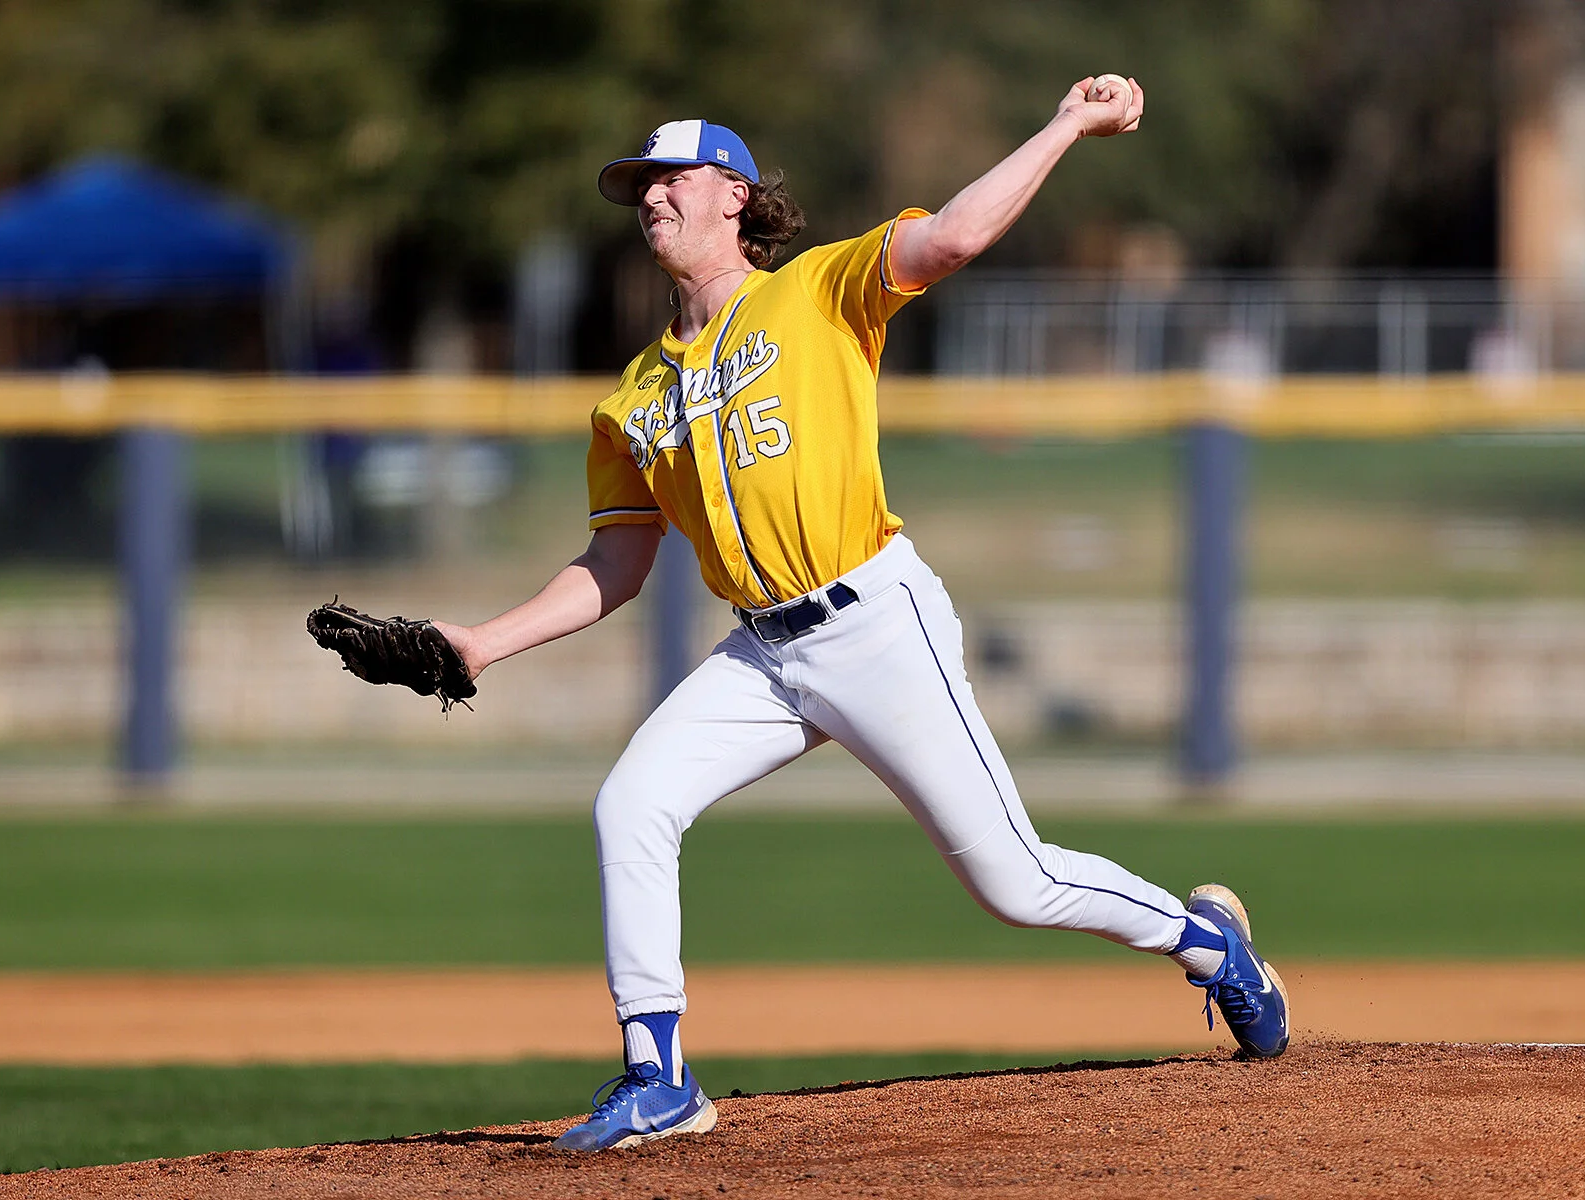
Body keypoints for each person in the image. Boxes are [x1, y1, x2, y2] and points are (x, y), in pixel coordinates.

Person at [433, 74, 1289, 1154]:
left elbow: (957, 237)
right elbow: (616, 562)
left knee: (1015, 882)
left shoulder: (818, 289)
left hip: (876, 623)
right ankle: (660, 1074)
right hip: (761, 653)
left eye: (670, 178)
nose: (649, 197)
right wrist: (481, 644)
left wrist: (1067, 125)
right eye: (638, 186)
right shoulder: (634, 394)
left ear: (734, 195)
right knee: (631, 805)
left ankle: (1206, 942)